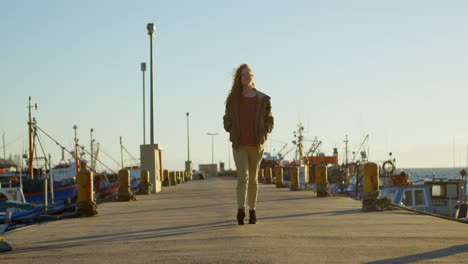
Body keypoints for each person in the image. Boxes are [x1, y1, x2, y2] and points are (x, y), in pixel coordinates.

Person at [223, 64, 274, 225]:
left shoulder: (263, 99)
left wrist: (266, 129)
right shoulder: (233, 99)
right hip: (239, 144)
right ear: (239, 78)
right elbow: (227, 118)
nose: (247, 76)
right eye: (243, 74)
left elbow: (270, 119)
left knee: (253, 179)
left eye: (249, 74)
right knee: (242, 177)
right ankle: (240, 210)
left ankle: (252, 210)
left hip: (256, 145)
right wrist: (230, 128)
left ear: (252, 77)